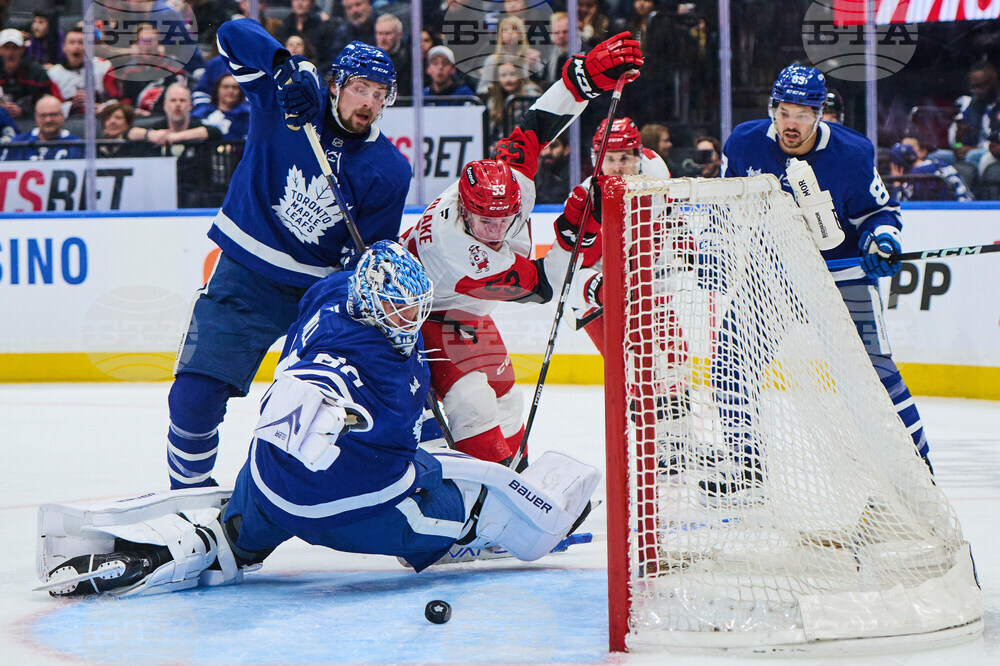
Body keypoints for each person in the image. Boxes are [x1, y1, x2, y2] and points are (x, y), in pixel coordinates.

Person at [37, 241, 601, 598]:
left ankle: (177, 550)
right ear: (372, 301)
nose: (410, 320)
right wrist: (334, 412)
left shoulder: (332, 291)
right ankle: (495, 531)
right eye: (399, 308)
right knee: (464, 507)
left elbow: (312, 367)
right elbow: (329, 388)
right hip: (350, 512)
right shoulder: (383, 366)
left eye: (415, 307)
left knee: (235, 537)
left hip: (267, 487)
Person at [165, 18, 410, 490]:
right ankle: (188, 496)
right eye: (361, 89)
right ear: (337, 84)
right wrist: (282, 66)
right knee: (193, 398)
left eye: (380, 94)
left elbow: (364, 260)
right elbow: (231, 33)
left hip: (317, 296)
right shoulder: (289, 98)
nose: (370, 103)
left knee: (319, 416)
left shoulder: (389, 170)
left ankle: (292, 502)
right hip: (244, 278)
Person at [401, 32, 643, 466]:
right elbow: (544, 287)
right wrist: (574, 233)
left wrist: (581, 81)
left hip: (467, 311)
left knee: (508, 401)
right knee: (473, 404)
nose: (495, 229)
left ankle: (518, 485)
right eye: (484, 220)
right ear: (464, 210)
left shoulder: (507, 182)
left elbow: (535, 125)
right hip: (424, 317)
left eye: (504, 218)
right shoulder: (460, 254)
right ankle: (483, 497)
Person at [716, 63, 931, 494]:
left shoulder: (852, 152)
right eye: (783, 112)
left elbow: (879, 213)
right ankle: (744, 464)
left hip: (843, 275)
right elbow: (724, 205)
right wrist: (713, 243)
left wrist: (881, 239)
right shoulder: (743, 142)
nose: (790, 124)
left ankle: (917, 468)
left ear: (819, 114)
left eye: (801, 114)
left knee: (874, 371)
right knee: (730, 361)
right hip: (773, 273)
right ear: (772, 108)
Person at [553, 116, 673, 357]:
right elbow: (570, 270)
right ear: (597, 160)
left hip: (642, 284)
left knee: (675, 358)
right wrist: (603, 289)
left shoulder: (656, 172)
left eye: (624, 158)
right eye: (609, 159)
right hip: (591, 297)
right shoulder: (583, 201)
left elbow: (666, 220)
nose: (617, 168)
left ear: (638, 156)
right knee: (624, 364)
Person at [127, 83, 226, 208]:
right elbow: (130, 133)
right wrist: (150, 135)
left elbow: (215, 132)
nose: (178, 104)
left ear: (190, 106)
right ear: (165, 105)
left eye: (182, 100)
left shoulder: (196, 125)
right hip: (160, 189)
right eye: (173, 100)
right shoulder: (158, 126)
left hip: (195, 190)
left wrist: (176, 137)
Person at [47, 28, 122, 117]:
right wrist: (72, 106)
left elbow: (116, 99)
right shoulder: (53, 74)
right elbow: (51, 107)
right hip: (67, 120)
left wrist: (103, 107)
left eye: (81, 42)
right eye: (71, 42)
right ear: (64, 47)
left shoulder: (103, 66)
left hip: (100, 117)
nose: (77, 47)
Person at [889, 135, 974, 202]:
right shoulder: (940, 164)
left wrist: (897, 184)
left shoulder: (916, 175)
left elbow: (899, 209)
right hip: (968, 207)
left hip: (952, 211)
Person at [0, 28, 61, 119]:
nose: (10, 52)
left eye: (15, 47)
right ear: (0, 50)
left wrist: (23, 113)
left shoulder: (37, 72)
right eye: (6, 47)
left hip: (32, 122)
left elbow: (51, 104)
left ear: (23, 49)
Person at [475, 15, 543, 95]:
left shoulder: (530, 57)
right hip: (499, 99)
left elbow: (540, 86)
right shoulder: (492, 60)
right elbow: (481, 90)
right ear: (500, 35)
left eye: (514, 29)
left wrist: (533, 66)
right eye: (505, 29)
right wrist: (496, 87)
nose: (509, 33)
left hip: (526, 98)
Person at [1, 94, 81, 160]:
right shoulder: (18, 142)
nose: (48, 120)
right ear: (36, 117)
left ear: (62, 116)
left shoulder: (78, 146)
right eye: (43, 115)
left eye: (53, 115)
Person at [484, 58, 542, 147]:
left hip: (526, 145)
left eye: (512, 74)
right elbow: (491, 133)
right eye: (503, 75)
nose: (509, 79)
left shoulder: (531, 96)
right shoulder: (493, 102)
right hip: (501, 146)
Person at [274, 0, 334, 72]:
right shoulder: (284, 26)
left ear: (311, 3)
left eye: (304, 0)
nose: (300, 3)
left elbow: (327, 59)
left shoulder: (321, 27)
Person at [191, 74, 252, 139]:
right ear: (217, 89)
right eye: (226, 87)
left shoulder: (246, 116)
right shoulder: (202, 112)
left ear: (240, 92)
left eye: (234, 87)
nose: (230, 91)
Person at [374, 14, 411, 96]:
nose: (383, 38)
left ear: (399, 35)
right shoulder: (368, 57)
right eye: (379, 33)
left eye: (387, 33)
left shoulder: (409, 59)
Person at [535, 134, 570, 203]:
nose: (548, 151)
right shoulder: (533, 175)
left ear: (566, 150)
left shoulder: (575, 176)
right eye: (544, 147)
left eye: (554, 146)